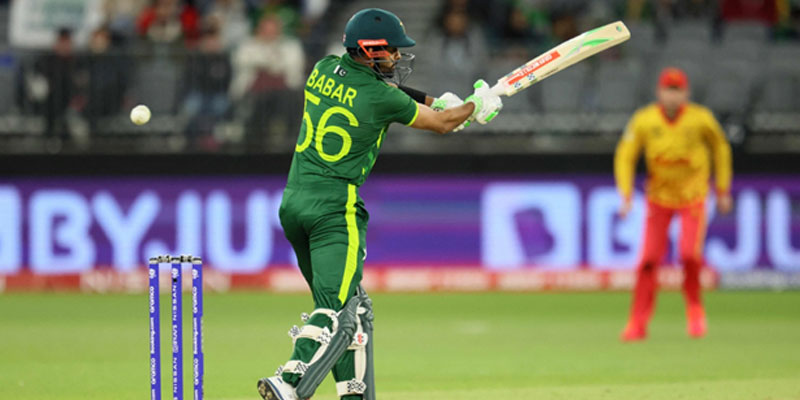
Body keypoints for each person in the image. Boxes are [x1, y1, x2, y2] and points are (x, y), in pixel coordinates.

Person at [257, 8, 502, 400]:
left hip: (294, 203)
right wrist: (477, 104)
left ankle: (354, 396)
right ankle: (289, 382)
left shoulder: (322, 69)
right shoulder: (379, 97)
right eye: (391, 52)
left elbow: (391, 95)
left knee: (354, 308)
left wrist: (437, 101)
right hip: (335, 211)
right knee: (337, 312)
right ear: (370, 51)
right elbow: (442, 125)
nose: (398, 58)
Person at [615, 67, 733, 342]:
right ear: (659, 92)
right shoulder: (644, 120)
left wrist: (723, 188)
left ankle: (695, 312)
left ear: (686, 93)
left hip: (692, 197)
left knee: (689, 256)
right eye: (668, 90)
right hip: (659, 198)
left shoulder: (700, 119)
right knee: (647, 261)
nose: (672, 96)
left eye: (677, 90)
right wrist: (626, 194)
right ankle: (637, 323)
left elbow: (721, 148)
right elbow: (625, 155)